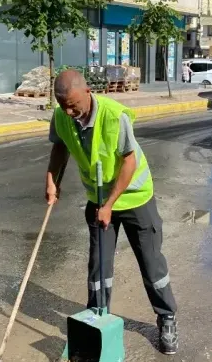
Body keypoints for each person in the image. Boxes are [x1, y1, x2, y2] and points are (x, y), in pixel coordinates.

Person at [44, 69, 179, 355]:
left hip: (134, 198)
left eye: (73, 105)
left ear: (88, 93)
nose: (69, 111)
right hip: (98, 198)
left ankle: (166, 317)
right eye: (62, 104)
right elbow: (60, 147)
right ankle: (96, 317)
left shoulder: (115, 116)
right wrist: (51, 181)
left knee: (151, 264)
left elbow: (129, 162)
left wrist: (109, 205)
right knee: (98, 265)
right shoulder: (62, 117)